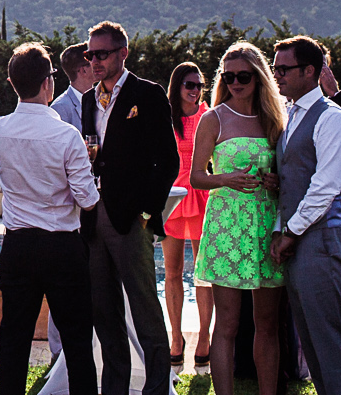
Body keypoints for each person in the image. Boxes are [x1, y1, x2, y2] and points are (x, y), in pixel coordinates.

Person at [0, 42, 99, 395]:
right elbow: (87, 199)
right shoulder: (66, 135)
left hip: (18, 245)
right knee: (77, 341)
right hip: (62, 246)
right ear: (48, 83)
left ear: (11, 82)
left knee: (13, 342)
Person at [81, 20, 179, 395]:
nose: (95, 61)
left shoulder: (148, 94)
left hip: (130, 218)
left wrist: (146, 214)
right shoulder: (89, 99)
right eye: (91, 54)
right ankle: (115, 388)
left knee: (144, 308)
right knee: (103, 310)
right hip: (93, 215)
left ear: (123, 53)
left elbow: (167, 162)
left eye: (102, 54)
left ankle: (157, 387)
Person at [190, 42, 285, 395]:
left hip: (265, 223)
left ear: (259, 77)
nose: (235, 83)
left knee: (268, 323)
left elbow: (286, 171)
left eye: (243, 76)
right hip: (227, 225)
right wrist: (226, 179)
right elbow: (195, 176)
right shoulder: (212, 118)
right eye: (228, 76)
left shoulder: (275, 120)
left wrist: (275, 180)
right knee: (226, 324)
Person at [270, 35, 341, 395]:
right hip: (297, 240)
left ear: (310, 71)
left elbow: (326, 186)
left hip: (321, 240)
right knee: (310, 340)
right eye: (275, 68)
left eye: (284, 69)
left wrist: (289, 231)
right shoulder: (291, 114)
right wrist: (282, 229)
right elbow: (293, 182)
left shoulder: (332, 119)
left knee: (329, 342)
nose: (277, 75)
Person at [162, 60, 212, 369]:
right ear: (177, 86)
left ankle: (204, 336)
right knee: (171, 272)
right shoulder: (165, 118)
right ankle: (176, 338)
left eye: (199, 86)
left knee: (203, 273)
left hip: (202, 193)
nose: (194, 91)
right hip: (173, 196)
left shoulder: (209, 116)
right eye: (189, 85)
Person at [45, 41, 93, 361]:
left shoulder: (104, 103)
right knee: (61, 286)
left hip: (96, 205)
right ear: (83, 69)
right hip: (68, 211)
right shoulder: (58, 111)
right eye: (95, 61)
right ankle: (58, 355)